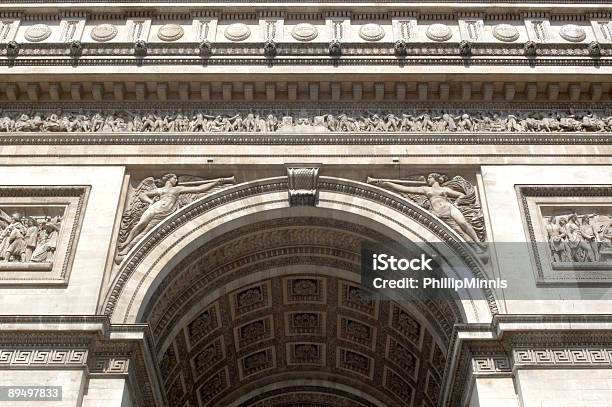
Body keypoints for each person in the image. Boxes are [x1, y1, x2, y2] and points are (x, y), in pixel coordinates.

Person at [118, 174, 233, 256]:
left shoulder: (178, 189)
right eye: (174, 178)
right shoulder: (161, 190)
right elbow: (143, 195)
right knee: (141, 224)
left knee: (146, 232)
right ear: (168, 178)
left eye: (176, 178)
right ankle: (126, 241)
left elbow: (198, 188)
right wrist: (150, 202)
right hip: (155, 207)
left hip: (165, 212)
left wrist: (216, 182)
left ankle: (128, 248)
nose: (176, 180)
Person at [374, 173, 483, 246]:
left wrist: (457, 203)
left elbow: (460, 195)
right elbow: (405, 188)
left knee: (464, 223)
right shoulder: (425, 189)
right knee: (458, 231)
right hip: (440, 212)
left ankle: (478, 242)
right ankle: (474, 247)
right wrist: (387, 184)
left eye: (429, 177)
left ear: (435, 178)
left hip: (450, 207)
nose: (427, 179)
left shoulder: (444, 189)